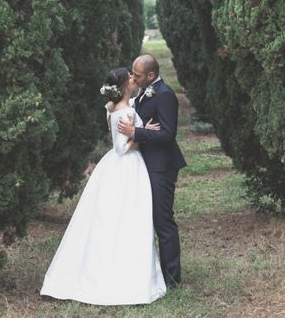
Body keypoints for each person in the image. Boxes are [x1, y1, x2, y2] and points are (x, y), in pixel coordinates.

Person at [40, 67, 166, 305]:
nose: (133, 78)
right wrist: (141, 133)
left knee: (109, 218)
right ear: (122, 87)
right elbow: (121, 148)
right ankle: (122, 277)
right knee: (127, 217)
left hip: (117, 167)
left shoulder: (112, 107)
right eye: (129, 77)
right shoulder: (124, 111)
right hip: (127, 166)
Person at [117, 54, 186, 289]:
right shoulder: (144, 91)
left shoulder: (165, 95)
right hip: (145, 163)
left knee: (163, 220)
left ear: (151, 75)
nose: (132, 78)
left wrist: (136, 133)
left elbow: (167, 135)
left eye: (136, 75)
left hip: (161, 167)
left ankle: (172, 278)